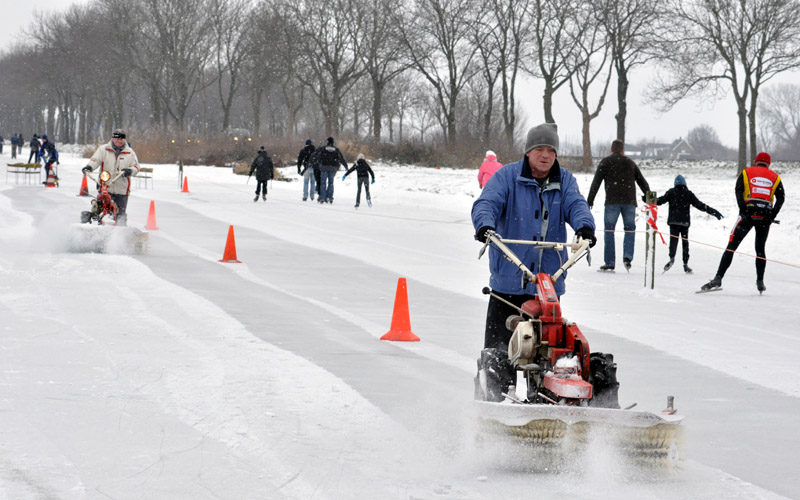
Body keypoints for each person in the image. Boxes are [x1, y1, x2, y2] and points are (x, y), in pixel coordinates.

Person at [472, 123, 596, 351]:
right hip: (509, 281)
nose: (546, 155)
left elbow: (577, 204)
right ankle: (492, 385)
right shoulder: (507, 177)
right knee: (498, 354)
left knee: (551, 353)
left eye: (551, 150)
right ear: (528, 151)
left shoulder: (565, 181)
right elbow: (486, 203)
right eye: (540, 149)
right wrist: (485, 225)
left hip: (549, 282)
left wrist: (585, 227)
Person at [701, 152, 785, 293]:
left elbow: (738, 190)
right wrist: (772, 215)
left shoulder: (746, 173)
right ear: (768, 164)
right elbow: (781, 198)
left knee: (731, 246)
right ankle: (760, 281)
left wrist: (743, 210)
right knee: (760, 250)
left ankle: (718, 278)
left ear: (755, 162)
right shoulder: (775, 177)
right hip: (764, 216)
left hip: (748, 214)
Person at [587, 139, 650, 272]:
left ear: (611, 150)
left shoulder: (605, 162)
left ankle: (609, 262)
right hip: (629, 202)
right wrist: (648, 197)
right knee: (630, 229)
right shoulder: (630, 163)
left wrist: (590, 201)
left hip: (612, 201)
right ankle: (627, 257)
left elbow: (596, 182)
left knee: (609, 230)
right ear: (622, 150)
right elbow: (642, 182)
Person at [655, 175, 723, 274]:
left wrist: (648, 198)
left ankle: (672, 258)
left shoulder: (671, 192)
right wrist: (714, 212)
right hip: (684, 223)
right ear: (685, 184)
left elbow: (659, 201)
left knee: (673, 241)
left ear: (675, 184)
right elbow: (700, 205)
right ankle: (685, 264)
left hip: (673, 222)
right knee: (685, 243)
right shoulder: (688, 194)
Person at [81, 129, 140, 226]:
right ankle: (97, 224)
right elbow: (95, 160)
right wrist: (89, 167)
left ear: (124, 140)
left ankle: (121, 233)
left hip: (122, 189)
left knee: (121, 214)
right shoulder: (103, 149)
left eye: (121, 139)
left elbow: (137, 167)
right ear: (112, 138)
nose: (119, 141)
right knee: (100, 209)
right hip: (105, 185)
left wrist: (129, 170)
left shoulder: (130, 153)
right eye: (116, 138)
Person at [313, 136, 348, 204]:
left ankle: (322, 197)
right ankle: (330, 197)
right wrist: (346, 166)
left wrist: (318, 164)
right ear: (333, 142)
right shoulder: (336, 150)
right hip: (333, 168)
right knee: (331, 183)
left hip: (324, 167)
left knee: (323, 183)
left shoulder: (323, 149)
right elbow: (341, 158)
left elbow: (317, 157)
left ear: (327, 141)